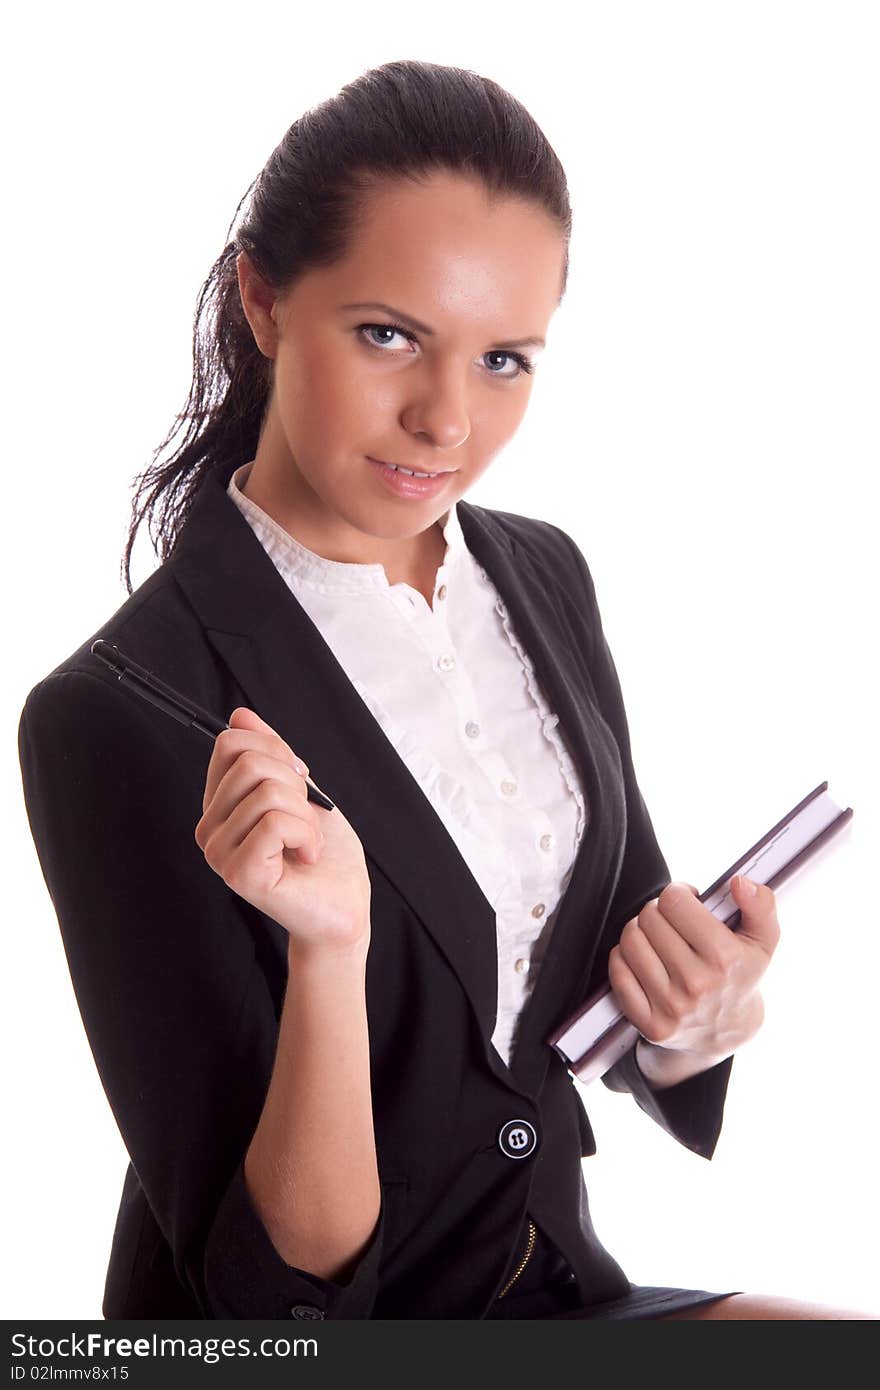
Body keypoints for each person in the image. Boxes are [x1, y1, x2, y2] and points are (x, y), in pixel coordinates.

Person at [17, 59, 871, 1321]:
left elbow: (598, 968)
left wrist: (696, 1017)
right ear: (262, 298)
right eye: (388, 335)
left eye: (505, 360)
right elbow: (283, 1271)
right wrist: (328, 949)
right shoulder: (117, 714)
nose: (444, 421)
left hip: (553, 1292)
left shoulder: (539, 576)